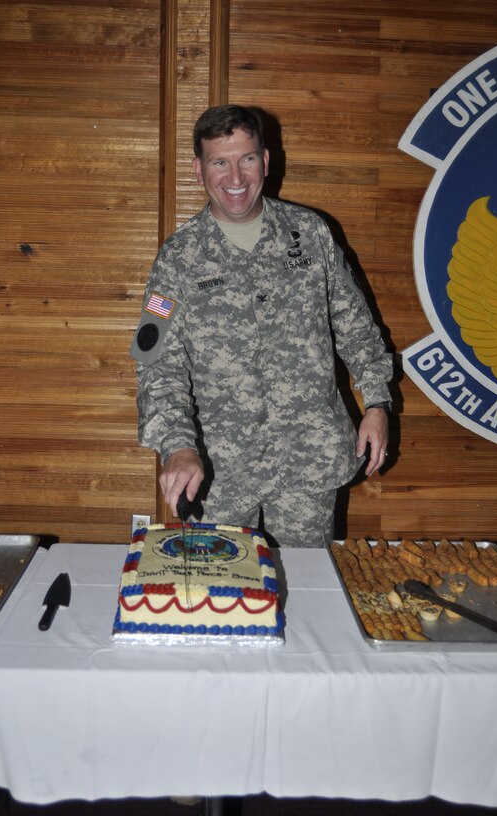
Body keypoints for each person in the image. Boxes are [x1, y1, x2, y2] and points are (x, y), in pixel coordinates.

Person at [131, 104, 392, 548]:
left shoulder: (310, 235)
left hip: (307, 461)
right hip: (218, 469)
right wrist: (177, 444)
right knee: (222, 598)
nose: (236, 176)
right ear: (199, 169)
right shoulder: (176, 260)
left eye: (247, 158)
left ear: (266, 161)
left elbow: (356, 325)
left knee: (307, 590)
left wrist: (378, 402)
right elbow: (157, 364)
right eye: (220, 161)